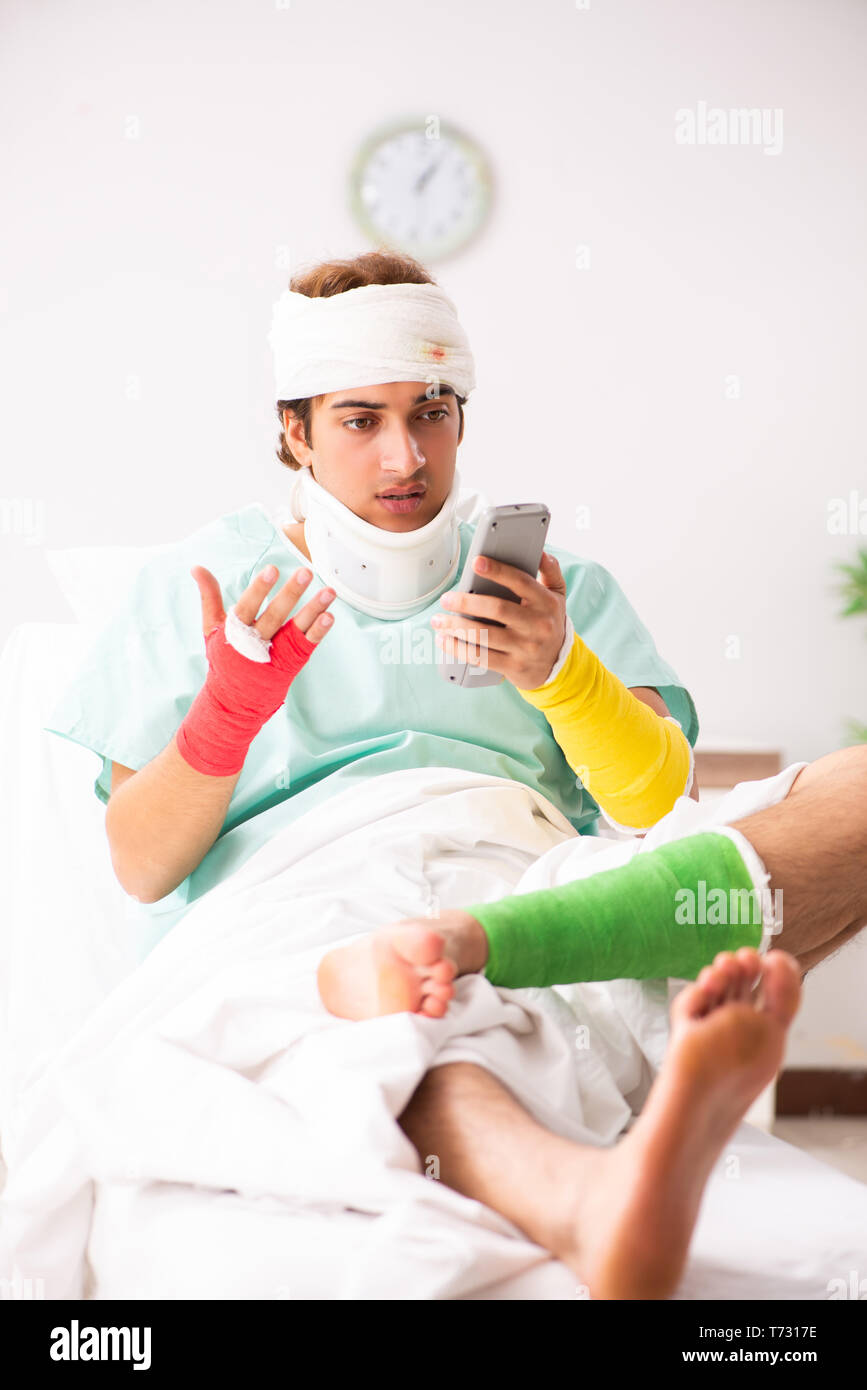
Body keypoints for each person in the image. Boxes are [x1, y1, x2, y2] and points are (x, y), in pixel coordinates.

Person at [42, 248, 867, 1299]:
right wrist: (229, 712)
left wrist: (561, 671)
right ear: (291, 429)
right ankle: (568, 1174)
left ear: (463, 417)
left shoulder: (552, 590)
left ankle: (467, 948)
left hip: (542, 897)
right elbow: (143, 866)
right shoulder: (203, 591)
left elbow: (658, 804)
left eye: (431, 410)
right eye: (359, 418)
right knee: (404, 1013)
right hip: (298, 915)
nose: (404, 455)